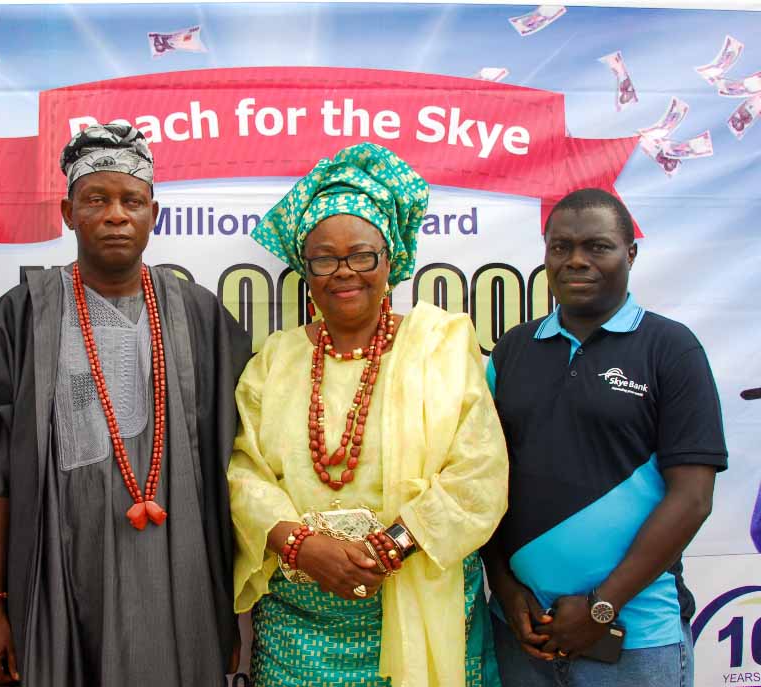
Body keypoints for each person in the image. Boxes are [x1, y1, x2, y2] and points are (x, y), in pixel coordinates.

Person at [0, 121, 252, 686]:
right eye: (97, 199)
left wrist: (231, 612)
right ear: (68, 213)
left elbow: (244, 469)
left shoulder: (198, 315)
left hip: (180, 578)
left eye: (131, 201)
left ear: (154, 213)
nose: (116, 214)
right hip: (62, 573)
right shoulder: (21, 316)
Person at [228, 142, 509, 687]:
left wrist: (391, 547)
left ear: (392, 258)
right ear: (304, 268)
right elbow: (244, 473)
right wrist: (301, 546)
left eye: (362, 254)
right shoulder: (276, 361)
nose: (344, 272)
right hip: (297, 627)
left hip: (417, 598)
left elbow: (479, 473)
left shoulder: (443, 346)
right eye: (325, 258)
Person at [482, 188, 726, 686]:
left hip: (633, 638)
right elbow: (478, 485)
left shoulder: (671, 349)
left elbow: (693, 497)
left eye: (597, 246)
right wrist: (505, 590)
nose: (576, 261)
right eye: (560, 247)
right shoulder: (511, 352)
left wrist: (600, 607)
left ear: (630, 253)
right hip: (522, 633)